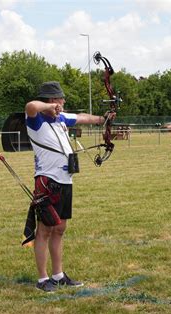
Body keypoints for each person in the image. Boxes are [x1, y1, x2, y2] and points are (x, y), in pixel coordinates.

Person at [25, 81, 115, 292]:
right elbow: (30, 106)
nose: (64, 102)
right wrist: (46, 107)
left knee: (60, 229)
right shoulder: (36, 120)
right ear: (51, 100)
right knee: (45, 230)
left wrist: (104, 119)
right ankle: (42, 279)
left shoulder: (61, 119)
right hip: (48, 181)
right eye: (60, 99)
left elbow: (83, 117)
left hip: (65, 180)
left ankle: (58, 275)